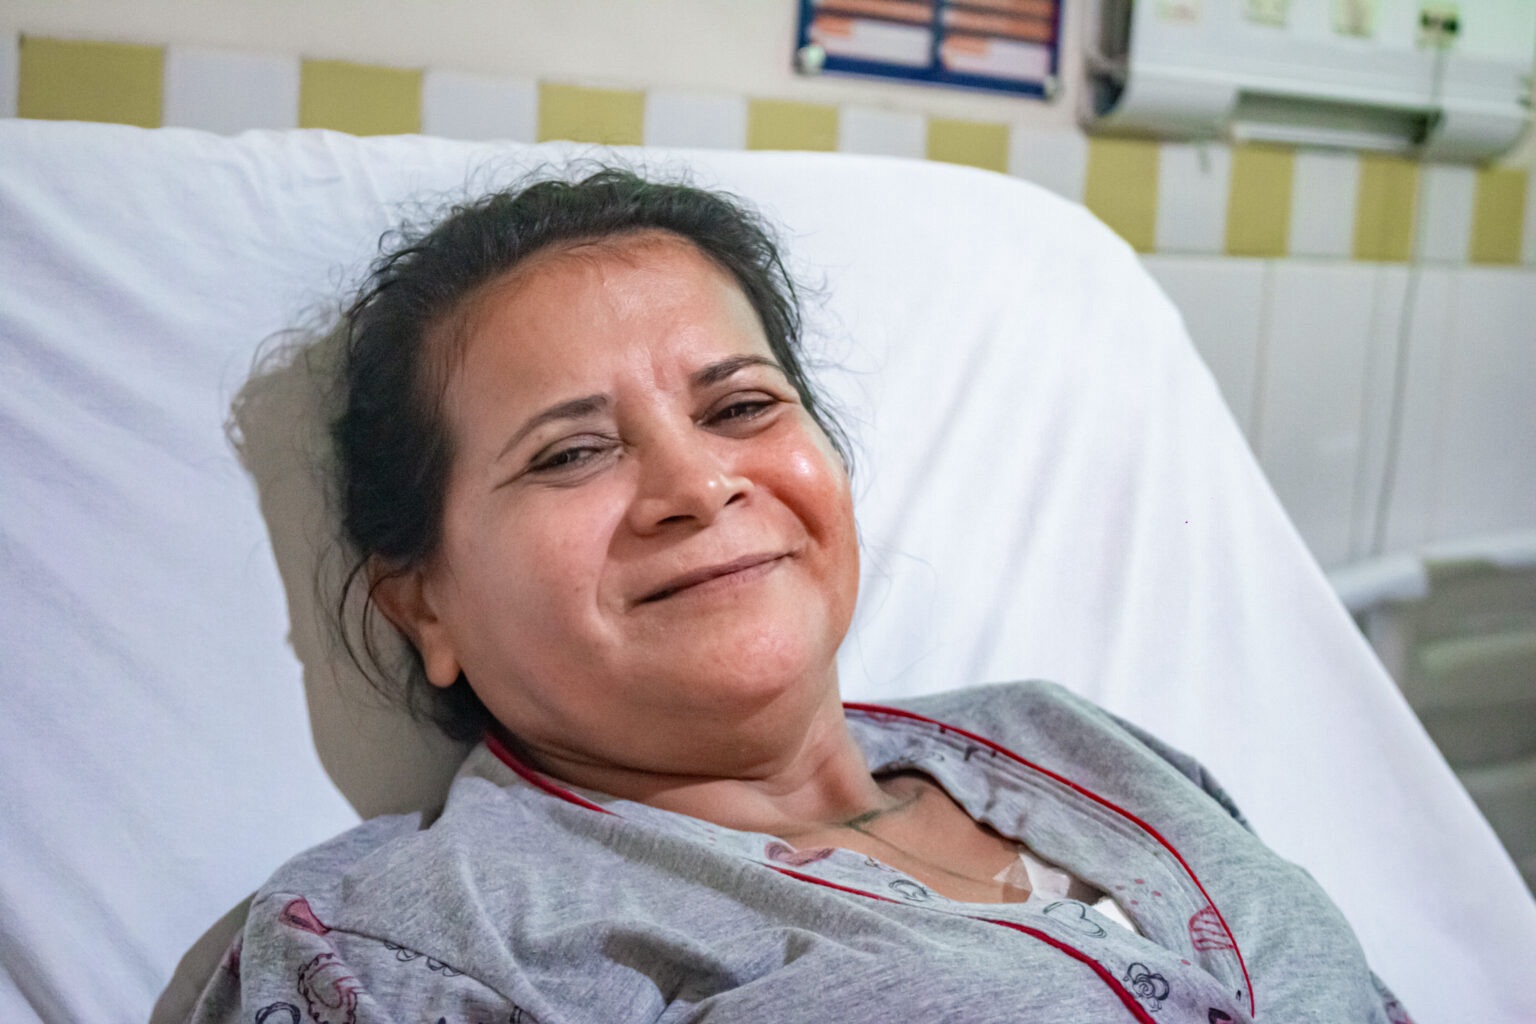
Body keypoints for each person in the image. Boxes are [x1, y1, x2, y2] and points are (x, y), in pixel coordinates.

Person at [190, 168, 1410, 1023]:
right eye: (571, 452)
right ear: (424, 607)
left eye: (741, 406)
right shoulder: (405, 942)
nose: (696, 484)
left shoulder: (1071, 743)